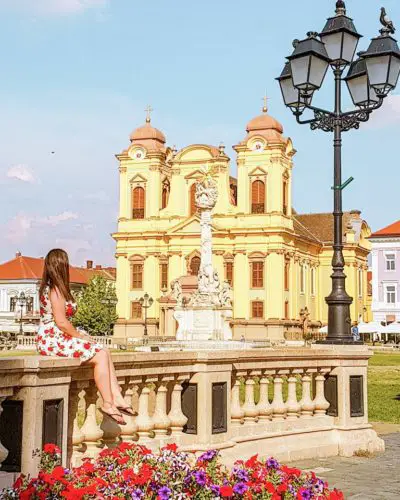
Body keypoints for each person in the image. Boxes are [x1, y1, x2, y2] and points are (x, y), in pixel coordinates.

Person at [36, 248, 134, 425]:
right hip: (52, 338)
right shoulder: (55, 290)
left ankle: (117, 396)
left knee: (104, 350)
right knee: (101, 355)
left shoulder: (52, 287)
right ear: (62, 267)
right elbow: (61, 322)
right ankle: (108, 403)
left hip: (55, 336)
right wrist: (80, 336)